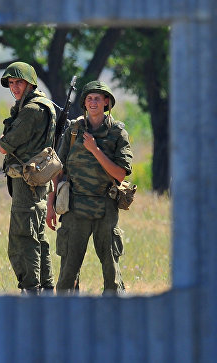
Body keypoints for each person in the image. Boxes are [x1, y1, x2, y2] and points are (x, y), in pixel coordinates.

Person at [46, 80, 133, 296]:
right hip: (75, 208)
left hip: (105, 207)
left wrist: (95, 150)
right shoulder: (74, 130)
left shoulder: (117, 133)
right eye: (89, 98)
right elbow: (58, 169)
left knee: (111, 274)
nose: (93, 102)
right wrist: (51, 205)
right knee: (67, 274)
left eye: (98, 98)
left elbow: (120, 174)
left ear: (106, 102)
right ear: (84, 103)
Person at [0, 62, 56, 294]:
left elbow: (4, 146)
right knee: (38, 237)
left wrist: (3, 139)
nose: (14, 87)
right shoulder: (44, 105)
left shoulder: (32, 109)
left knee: (23, 239)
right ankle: (46, 289)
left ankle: (31, 290)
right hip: (39, 181)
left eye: (18, 82)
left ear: (30, 83)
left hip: (27, 182)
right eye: (11, 83)